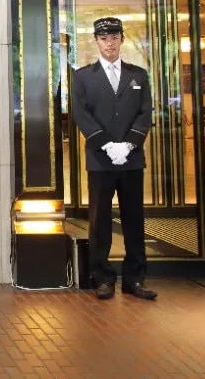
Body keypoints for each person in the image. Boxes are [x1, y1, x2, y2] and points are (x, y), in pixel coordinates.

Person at [71, 17, 157, 301]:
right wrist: (107, 145)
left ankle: (135, 279)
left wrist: (129, 144)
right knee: (100, 221)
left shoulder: (138, 75)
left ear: (122, 39)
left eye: (114, 37)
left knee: (134, 219)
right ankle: (102, 278)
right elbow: (81, 114)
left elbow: (145, 113)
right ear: (96, 41)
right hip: (101, 159)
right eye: (104, 38)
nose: (109, 43)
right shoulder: (83, 77)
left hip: (131, 159)